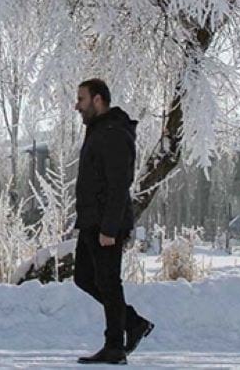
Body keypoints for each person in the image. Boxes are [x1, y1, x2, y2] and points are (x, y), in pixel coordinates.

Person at [72, 78, 154, 365]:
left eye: (81, 99)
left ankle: (114, 346)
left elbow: (119, 184)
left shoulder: (114, 133)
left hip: (106, 225)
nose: (77, 105)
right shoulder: (98, 131)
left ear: (97, 100)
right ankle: (132, 324)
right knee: (83, 277)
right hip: (91, 221)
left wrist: (109, 228)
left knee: (108, 283)